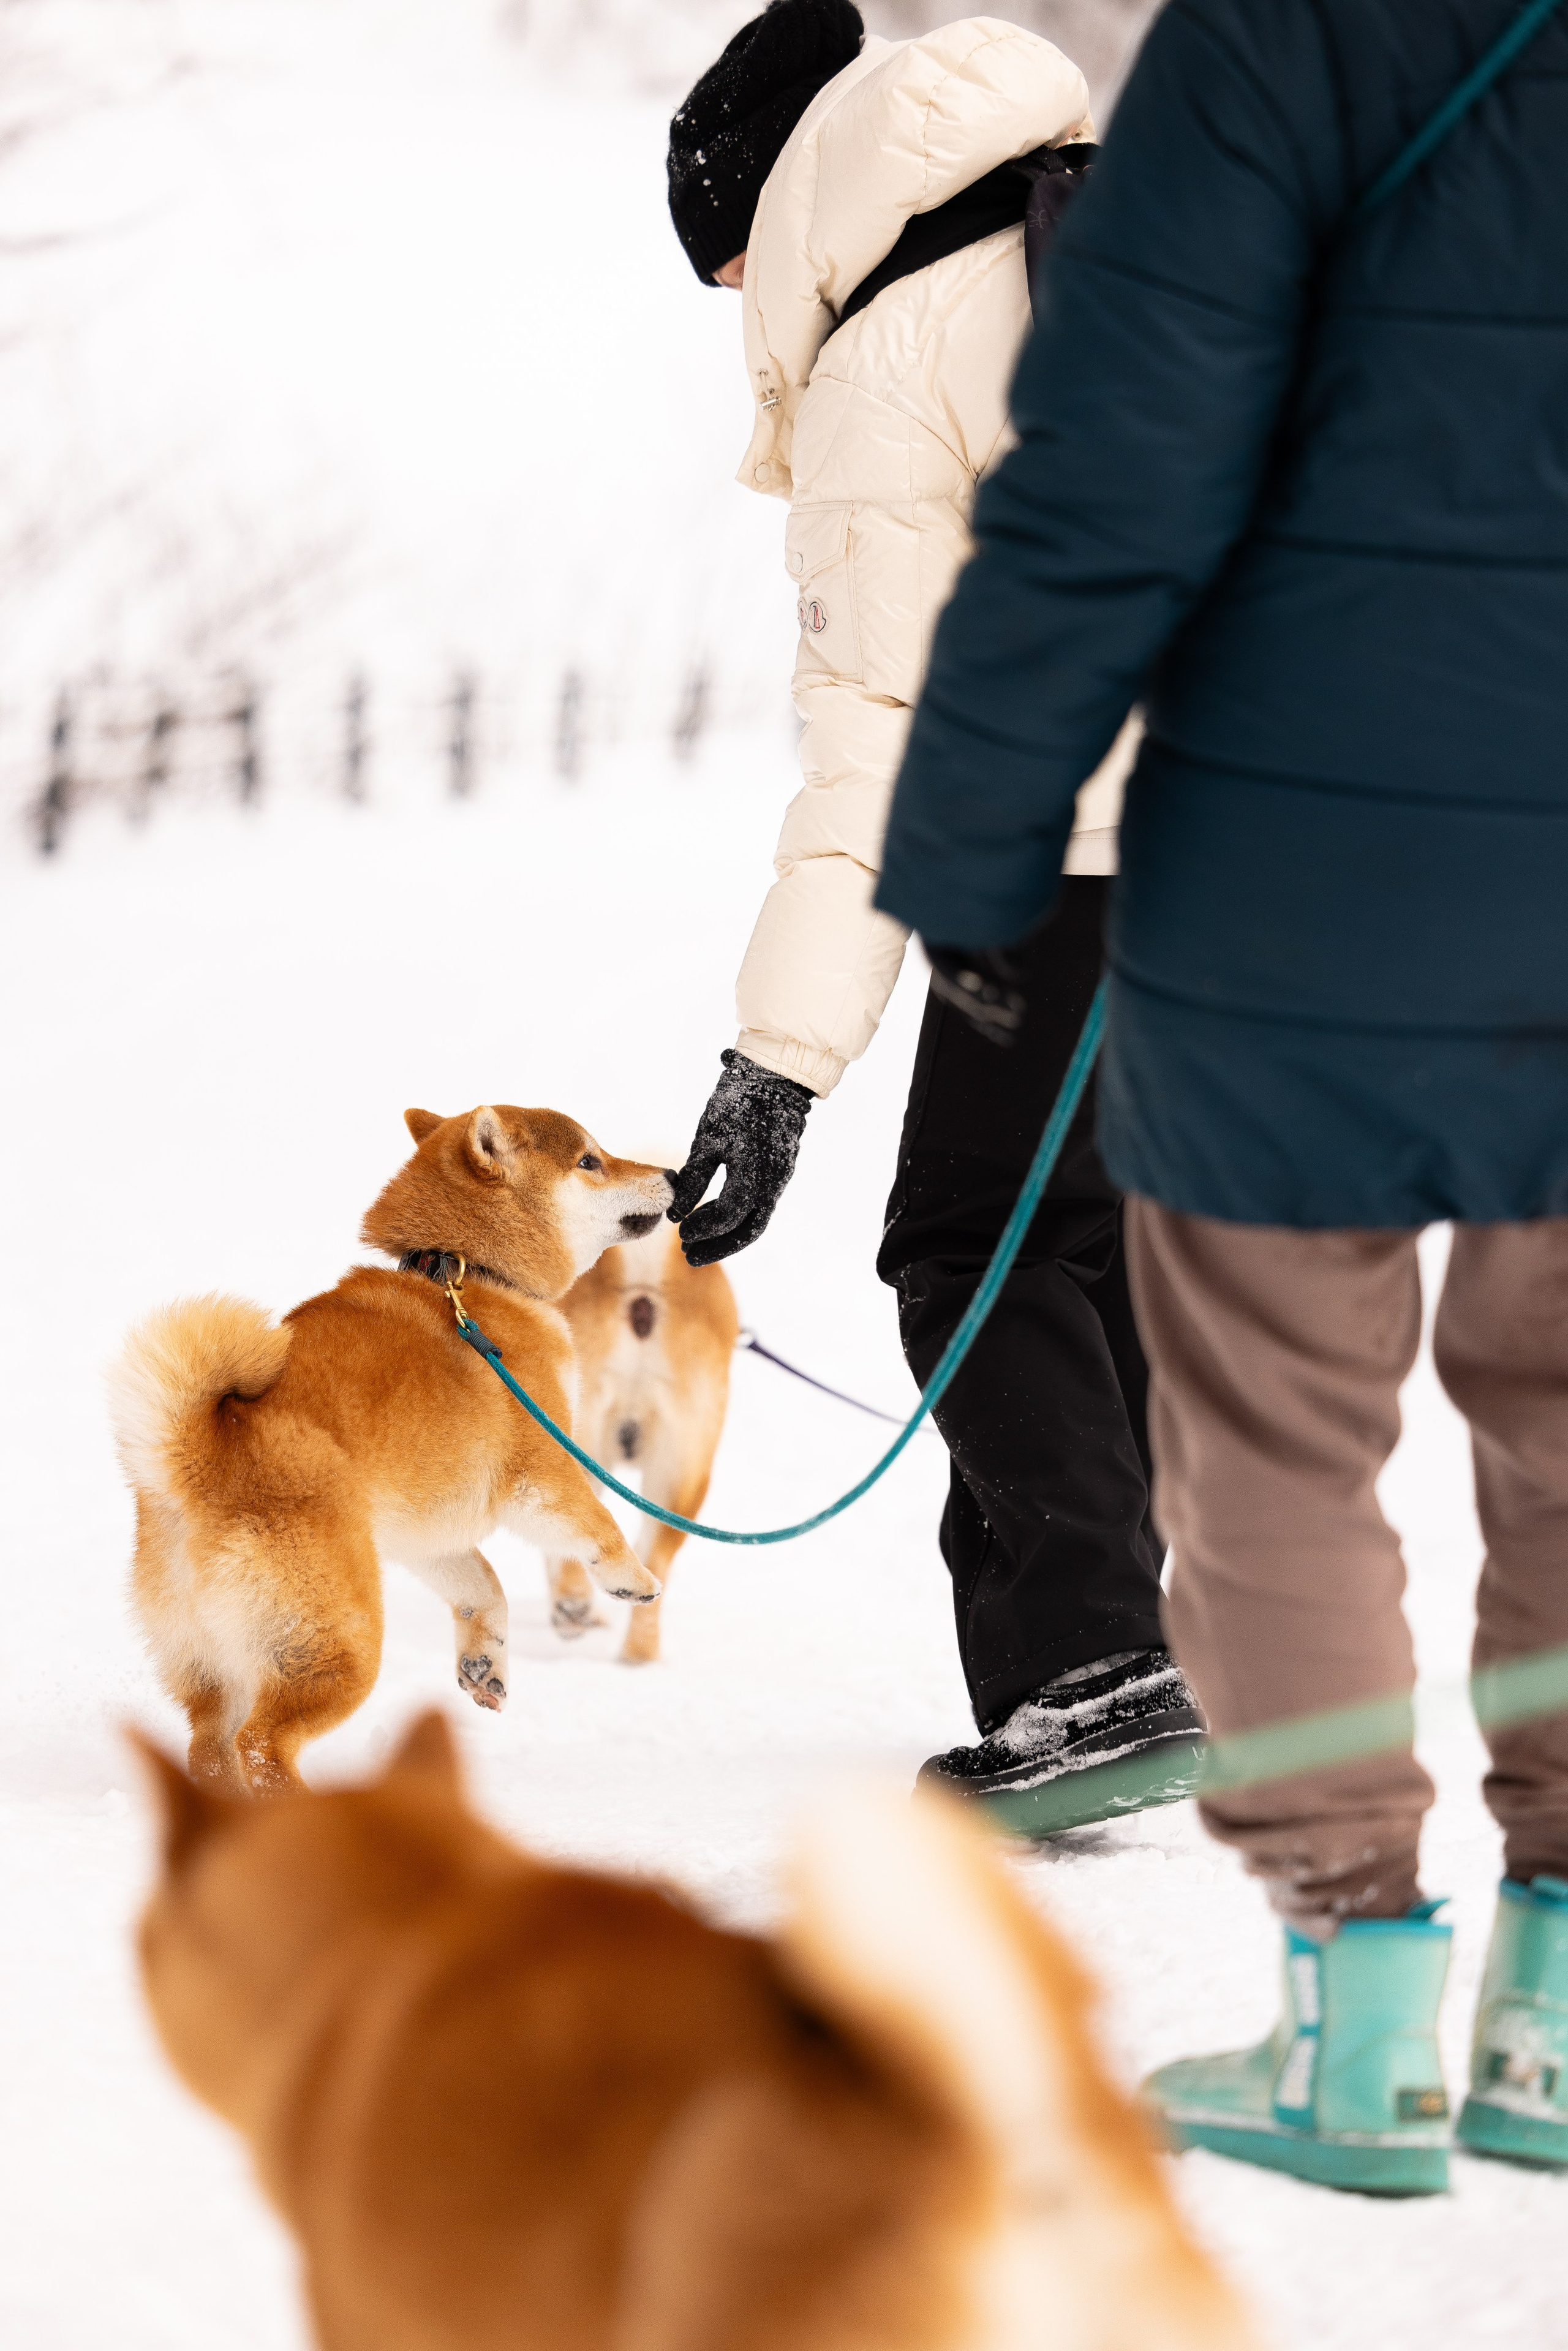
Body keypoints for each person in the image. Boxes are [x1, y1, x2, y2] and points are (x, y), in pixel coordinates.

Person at [873, 0, 1568, 2193]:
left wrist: (978, 865)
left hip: (1290, 874)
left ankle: (1355, 2028)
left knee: (1277, 1422)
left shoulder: (1268, 52)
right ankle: (1554, 2015)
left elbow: (1101, 481)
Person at [663, 0, 1203, 1832]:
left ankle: (1094, 1673)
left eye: (727, 268)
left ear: (785, 209)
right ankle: (1103, 1672)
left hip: (1073, 854)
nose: (743, 312)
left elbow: (878, 758)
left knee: (973, 1246)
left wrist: (775, 1065)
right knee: (1089, 1244)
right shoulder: (1134, 225)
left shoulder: (896, 357)